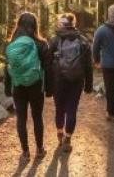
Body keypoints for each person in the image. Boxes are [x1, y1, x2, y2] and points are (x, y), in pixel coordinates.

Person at [4, 12, 50, 159]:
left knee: (21, 118)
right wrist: (49, 89)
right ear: (35, 26)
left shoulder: (11, 45)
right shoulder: (41, 44)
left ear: (18, 25)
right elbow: (48, 67)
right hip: (36, 86)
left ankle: (25, 152)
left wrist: (7, 89)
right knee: (37, 117)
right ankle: (39, 149)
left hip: (18, 86)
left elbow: (6, 68)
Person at [47, 13, 92, 152]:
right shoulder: (83, 41)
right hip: (77, 80)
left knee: (59, 108)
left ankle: (60, 133)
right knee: (72, 109)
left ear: (61, 23)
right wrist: (89, 85)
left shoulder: (54, 41)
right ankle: (68, 138)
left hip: (58, 80)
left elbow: (47, 64)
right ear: (74, 24)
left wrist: (48, 86)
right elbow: (88, 65)